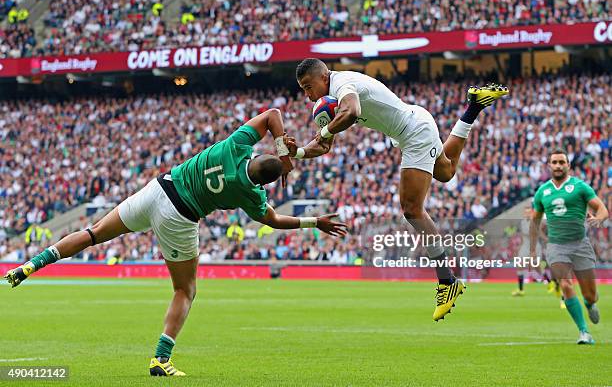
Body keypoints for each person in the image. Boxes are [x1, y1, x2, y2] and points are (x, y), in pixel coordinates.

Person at [4, 108, 347, 376]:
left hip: (158, 188)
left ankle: (33, 264)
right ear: (267, 184)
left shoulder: (235, 146)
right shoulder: (250, 195)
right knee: (185, 290)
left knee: (93, 233)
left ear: (254, 157)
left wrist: (281, 153)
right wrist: (314, 221)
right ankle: (161, 359)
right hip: (180, 216)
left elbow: (273, 115)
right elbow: (273, 220)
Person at [288, 58, 508, 321]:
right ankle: (473, 106)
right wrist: (298, 153)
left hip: (413, 132)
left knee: (412, 210)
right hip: (414, 122)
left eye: (307, 86)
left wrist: (323, 132)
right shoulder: (329, 101)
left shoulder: (343, 84)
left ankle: (447, 281)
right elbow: (324, 146)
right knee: (446, 172)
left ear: (324, 77)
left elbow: (352, 112)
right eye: (302, 89)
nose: (306, 94)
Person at [530, 148, 609, 345]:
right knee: (565, 284)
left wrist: (598, 219)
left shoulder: (580, 187)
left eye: (561, 162)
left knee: (590, 294)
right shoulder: (542, 192)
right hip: (556, 246)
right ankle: (584, 332)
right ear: (549, 166)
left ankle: (590, 303)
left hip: (580, 245)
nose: (557, 165)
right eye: (554, 162)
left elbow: (602, 208)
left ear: (568, 165)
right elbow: (534, 221)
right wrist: (533, 250)